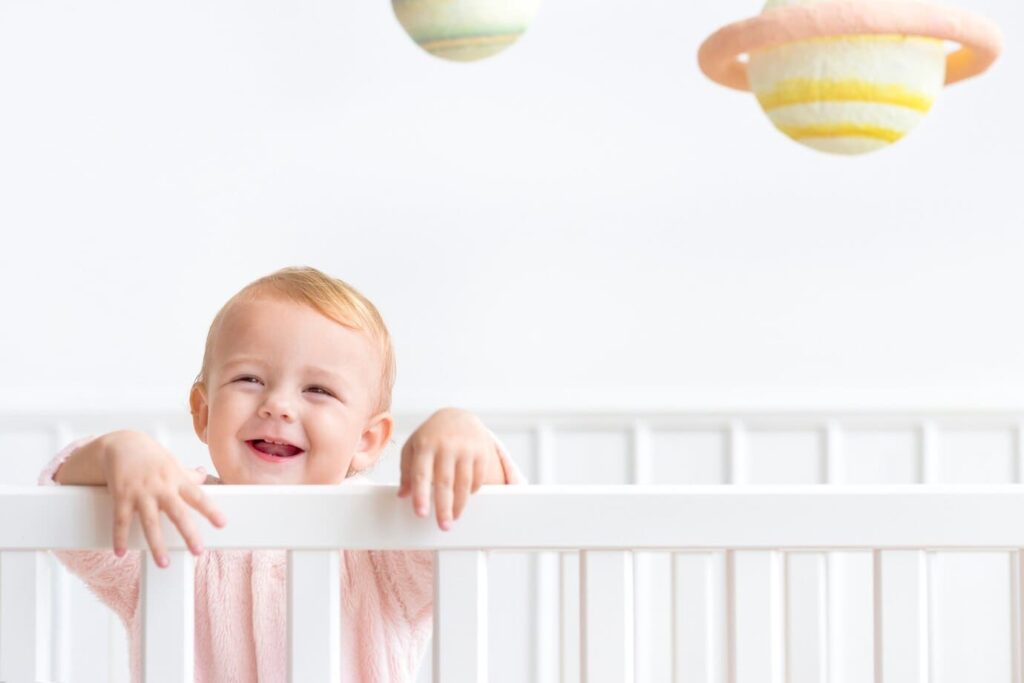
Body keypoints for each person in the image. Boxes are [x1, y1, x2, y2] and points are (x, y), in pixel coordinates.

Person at [38, 265, 526, 682]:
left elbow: (485, 513)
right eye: (250, 379)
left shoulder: (381, 537)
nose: (278, 406)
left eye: (318, 390)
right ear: (203, 412)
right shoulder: (169, 511)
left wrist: (461, 431)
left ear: (368, 440)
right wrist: (118, 453)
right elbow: (57, 507)